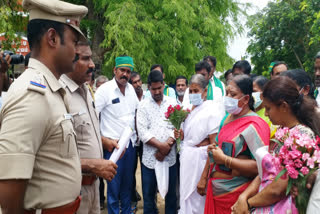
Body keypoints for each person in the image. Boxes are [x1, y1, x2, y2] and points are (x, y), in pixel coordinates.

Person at [0, 0, 88, 213]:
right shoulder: (32, 95)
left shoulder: (50, 90)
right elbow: (9, 187)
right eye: (74, 41)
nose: (77, 51)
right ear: (52, 38)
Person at [231, 76, 320, 214]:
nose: (266, 113)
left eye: (268, 108)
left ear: (284, 106)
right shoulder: (283, 131)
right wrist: (243, 197)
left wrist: (248, 203)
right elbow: (265, 172)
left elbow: (280, 187)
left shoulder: (302, 137)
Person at [59, 41, 118, 214]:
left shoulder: (86, 90)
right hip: (74, 190)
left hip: (94, 186)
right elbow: (52, 156)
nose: (92, 64)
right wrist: (92, 165)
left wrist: (104, 141)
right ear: (69, 59)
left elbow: (83, 132)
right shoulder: (59, 94)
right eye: (86, 58)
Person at [202, 74, 270, 214]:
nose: (227, 97)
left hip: (236, 195)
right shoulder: (227, 118)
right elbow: (217, 145)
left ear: (245, 99)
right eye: (226, 92)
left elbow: (261, 167)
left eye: (232, 94)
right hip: (215, 191)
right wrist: (203, 177)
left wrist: (226, 160)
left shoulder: (254, 124)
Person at [174, 74, 225, 214]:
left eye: (196, 91)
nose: (192, 94)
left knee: (199, 201)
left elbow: (214, 145)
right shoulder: (187, 110)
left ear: (205, 90)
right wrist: (179, 133)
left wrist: (204, 177)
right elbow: (186, 136)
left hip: (201, 161)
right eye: (190, 91)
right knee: (186, 198)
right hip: (187, 159)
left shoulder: (212, 110)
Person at [95, 55, 139, 214]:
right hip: (112, 147)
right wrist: (103, 140)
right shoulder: (104, 90)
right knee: (113, 190)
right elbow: (92, 117)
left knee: (127, 188)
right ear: (115, 70)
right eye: (122, 70)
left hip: (130, 146)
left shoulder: (131, 90)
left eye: (128, 71)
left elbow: (136, 114)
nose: (125, 74)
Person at [137, 70, 177, 214]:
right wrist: (161, 147)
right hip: (150, 159)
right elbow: (142, 132)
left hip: (170, 158)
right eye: (153, 89)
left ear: (164, 85)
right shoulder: (143, 105)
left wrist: (168, 146)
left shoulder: (173, 103)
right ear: (149, 87)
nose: (157, 91)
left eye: (159, 88)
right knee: (149, 196)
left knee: (172, 195)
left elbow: (177, 126)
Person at [128, 71, 143, 212]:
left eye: (139, 81)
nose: (138, 84)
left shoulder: (148, 97)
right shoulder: (128, 98)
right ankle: (132, 200)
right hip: (132, 141)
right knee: (130, 172)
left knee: (146, 172)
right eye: (134, 82)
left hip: (145, 142)